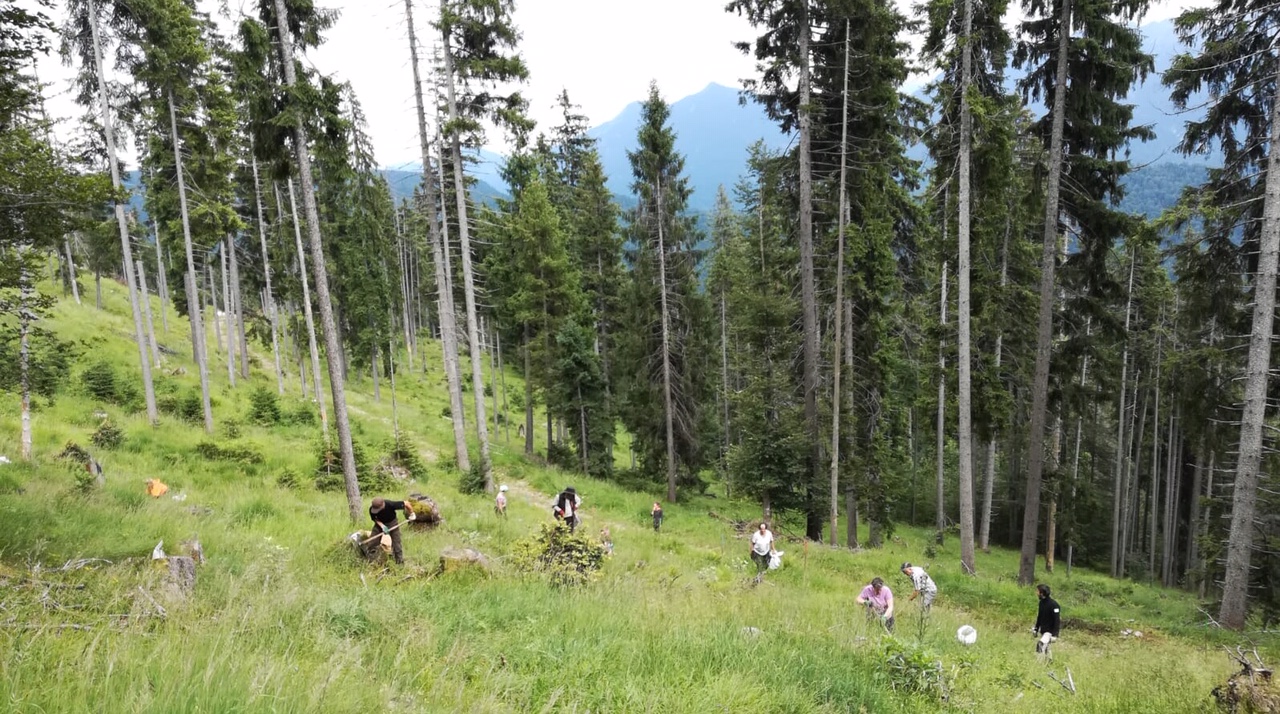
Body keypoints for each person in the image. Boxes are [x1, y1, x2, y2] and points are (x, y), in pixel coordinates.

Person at [369, 497, 413, 565]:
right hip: (380, 524)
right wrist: (382, 526)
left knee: (397, 544)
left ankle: (399, 563)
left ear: (383, 505)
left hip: (392, 523)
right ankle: (373, 561)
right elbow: (375, 519)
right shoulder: (372, 509)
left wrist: (412, 514)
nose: (377, 511)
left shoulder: (390, 504)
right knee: (372, 542)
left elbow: (406, 503)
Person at [1033, 584, 1061, 653]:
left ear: (1042, 593)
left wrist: (1055, 634)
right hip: (1043, 630)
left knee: (1040, 645)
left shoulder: (1054, 605)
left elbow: (1057, 620)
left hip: (1049, 632)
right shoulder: (1041, 603)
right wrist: (1036, 629)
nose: (1036, 593)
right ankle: (1049, 662)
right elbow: (1039, 616)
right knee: (1047, 649)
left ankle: (1039, 662)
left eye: (1037, 591)